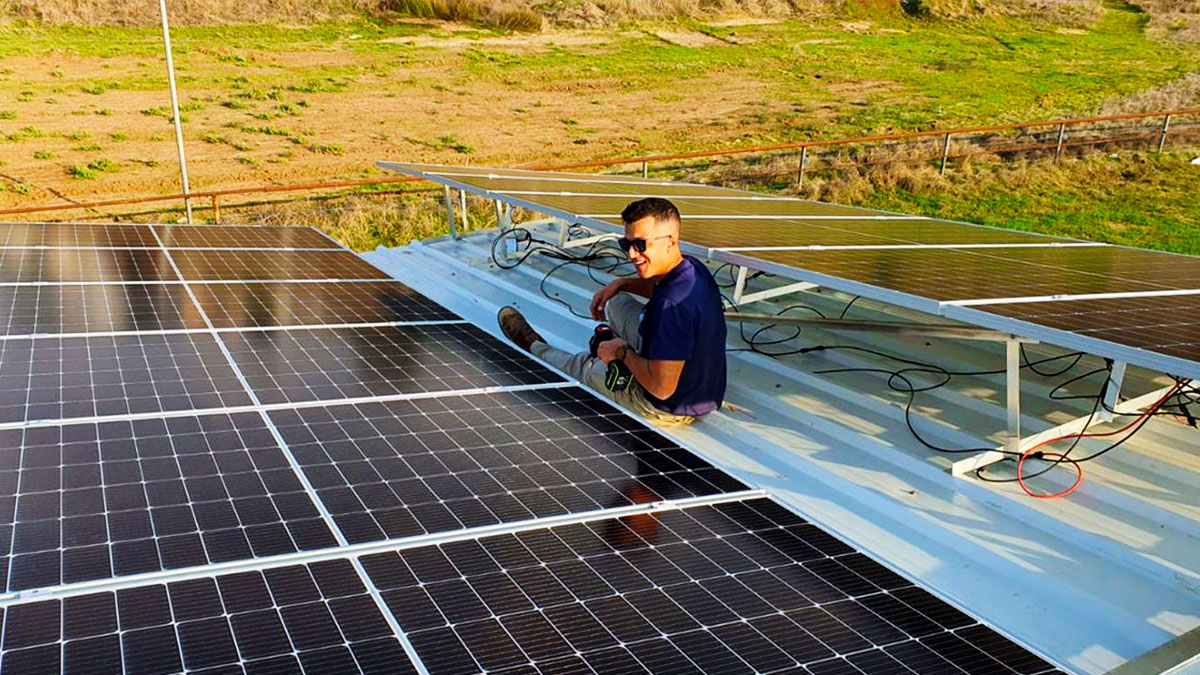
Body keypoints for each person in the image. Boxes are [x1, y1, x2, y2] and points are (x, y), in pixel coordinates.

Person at [498, 197, 727, 425]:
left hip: (669, 406)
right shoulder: (692, 269)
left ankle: (534, 347)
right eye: (626, 245)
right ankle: (635, 353)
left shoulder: (669, 309)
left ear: (670, 241)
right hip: (703, 387)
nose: (631, 254)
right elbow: (660, 289)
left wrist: (622, 352)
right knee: (616, 302)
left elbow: (662, 388)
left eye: (641, 244)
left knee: (586, 366)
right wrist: (621, 284)